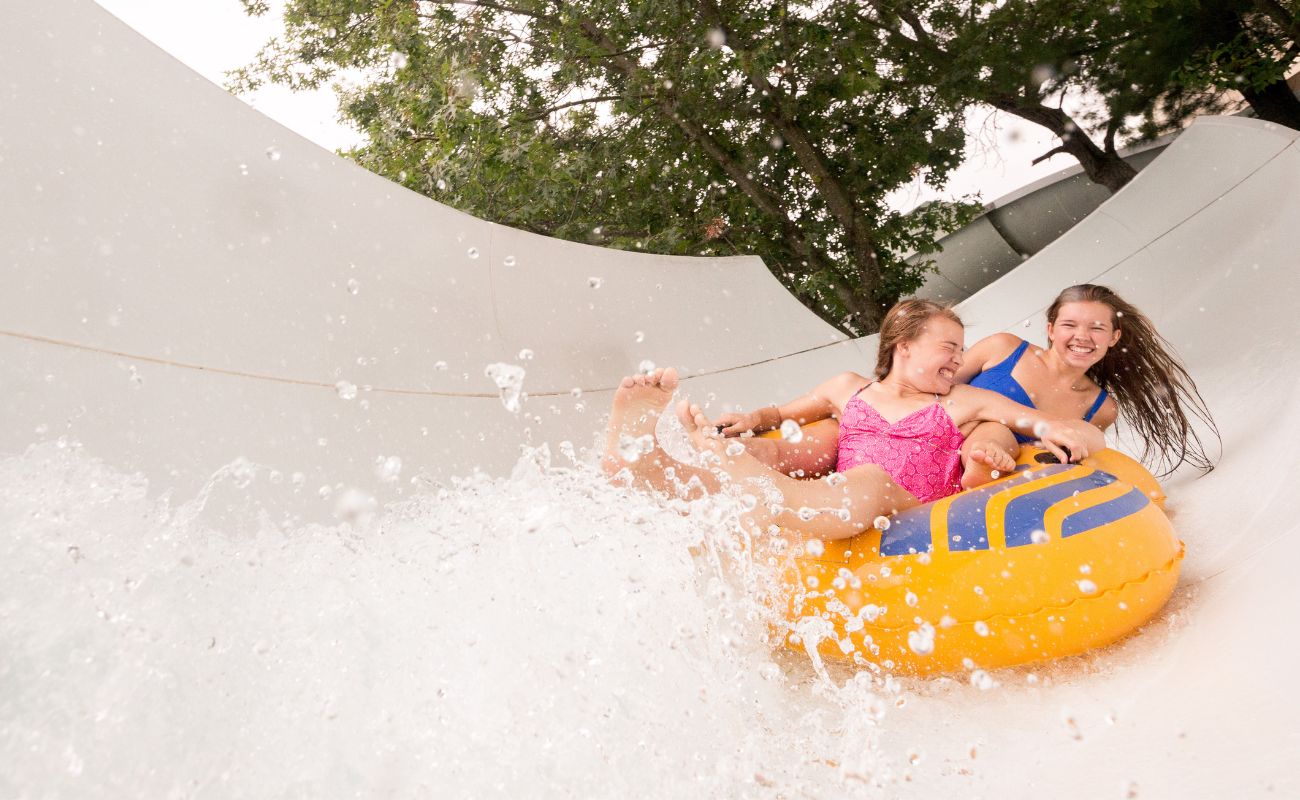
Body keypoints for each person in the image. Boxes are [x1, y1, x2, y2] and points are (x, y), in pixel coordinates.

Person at [602, 300, 1106, 540]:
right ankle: (642, 463)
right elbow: (781, 414)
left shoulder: (965, 401)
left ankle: (750, 481)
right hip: (833, 495)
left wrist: (1063, 432)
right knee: (789, 455)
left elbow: (1033, 421)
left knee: (871, 481)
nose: (959, 358)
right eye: (948, 348)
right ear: (904, 347)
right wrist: (748, 423)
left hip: (912, 507)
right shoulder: (847, 389)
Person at [711, 285, 1216, 487]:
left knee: (992, 435)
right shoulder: (1001, 348)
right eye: (1070, 326)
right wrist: (881, 408)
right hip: (932, 428)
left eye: (1096, 329)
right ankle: (720, 457)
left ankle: (974, 472)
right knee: (827, 437)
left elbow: (1047, 438)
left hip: (987, 448)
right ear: (1050, 327)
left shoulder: (1100, 406)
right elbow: (937, 384)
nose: (1081, 338)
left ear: (1114, 337)